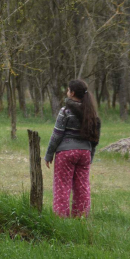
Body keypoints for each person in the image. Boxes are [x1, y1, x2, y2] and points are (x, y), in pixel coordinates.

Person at [44, 79, 101, 217]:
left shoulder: (65, 111)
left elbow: (57, 135)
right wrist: (90, 156)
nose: (67, 92)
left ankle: (61, 218)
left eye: (68, 90)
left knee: (62, 187)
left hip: (66, 153)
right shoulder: (91, 113)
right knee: (82, 187)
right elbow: (94, 139)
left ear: (72, 93)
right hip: (84, 153)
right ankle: (81, 218)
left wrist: (49, 154)